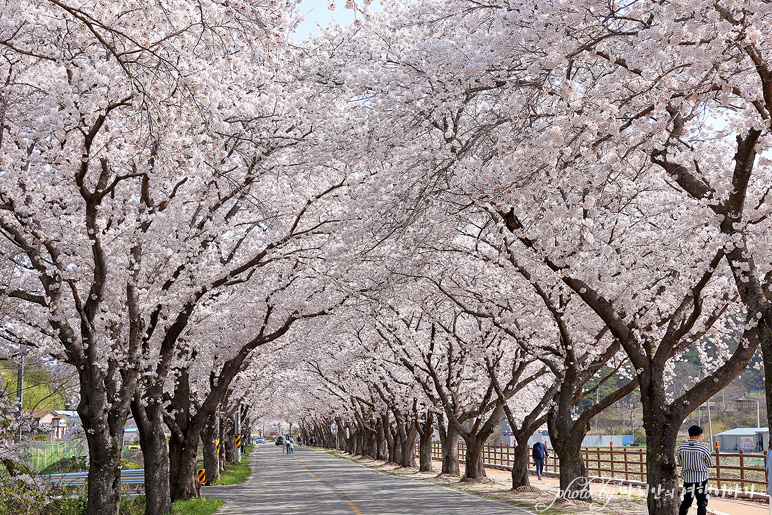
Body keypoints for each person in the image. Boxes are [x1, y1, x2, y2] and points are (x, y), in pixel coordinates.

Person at [677, 425, 714, 515]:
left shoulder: (681, 447)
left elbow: (680, 462)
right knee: (702, 503)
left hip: (687, 479)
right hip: (701, 478)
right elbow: (710, 463)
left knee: (686, 502)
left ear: (689, 434)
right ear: (699, 435)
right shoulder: (703, 448)